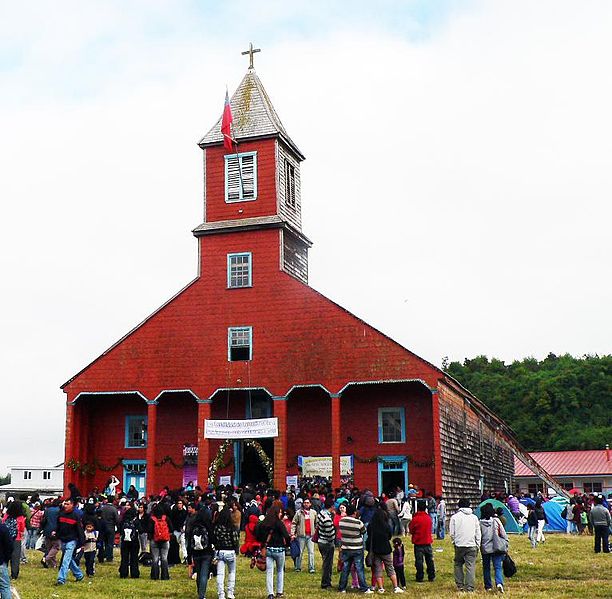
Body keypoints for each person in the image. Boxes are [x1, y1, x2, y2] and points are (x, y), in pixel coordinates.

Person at [257, 505, 291, 599]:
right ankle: (279, 592)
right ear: (277, 513)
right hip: (279, 549)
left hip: (269, 550)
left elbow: (260, 536)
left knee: (269, 572)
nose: (281, 514)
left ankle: (270, 593)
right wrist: (287, 544)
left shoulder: (265, 523)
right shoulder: (279, 523)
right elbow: (286, 536)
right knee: (280, 571)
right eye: (280, 512)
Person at [337, 504, 371, 594]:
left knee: (345, 568)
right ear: (355, 512)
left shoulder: (342, 521)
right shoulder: (358, 522)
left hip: (345, 547)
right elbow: (363, 531)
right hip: (357, 548)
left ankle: (342, 588)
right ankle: (363, 587)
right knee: (359, 568)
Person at [449, 498, 481, 593]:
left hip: (459, 544)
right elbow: (477, 532)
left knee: (458, 564)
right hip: (472, 544)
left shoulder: (454, 517)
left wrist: (454, 541)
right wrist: (477, 544)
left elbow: (452, 533)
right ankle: (470, 587)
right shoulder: (474, 517)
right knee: (470, 566)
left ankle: (460, 585)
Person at [53, 498, 85, 585]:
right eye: (65, 504)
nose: (65, 506)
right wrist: (56, 533)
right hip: (63, 540)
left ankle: (61, 579)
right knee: (69, 559)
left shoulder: (76, 516)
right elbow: (58, 526)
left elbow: (80, 530)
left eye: (67, 504)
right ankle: (79, 575)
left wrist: (82, 542)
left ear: (72, 505)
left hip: (72, 540)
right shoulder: (61, 514)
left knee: (65, 560)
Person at [479, 502, 508, 594]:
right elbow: (503, 534)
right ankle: (499, 583)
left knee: (486, 568)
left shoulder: (480, 523)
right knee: (498, 567)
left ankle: (488, 586)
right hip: (497, 547)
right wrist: (506, 543)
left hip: (485, 548)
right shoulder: (496, 521)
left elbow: (479, 536)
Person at [187, 505, 214, 598]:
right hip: (207, 552)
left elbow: (189, 541)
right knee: (204, 574)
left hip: (195, 553)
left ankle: (200, 591)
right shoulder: (208, 526)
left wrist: (189, 557)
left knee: (198, 573)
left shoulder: (193, 525)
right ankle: (202, 595)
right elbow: (212, 539)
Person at [213, 506, 240, 599]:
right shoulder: (232, 527)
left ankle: (221, 594)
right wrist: (236, 550)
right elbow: (236, 540)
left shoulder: (217, 527)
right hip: (230, 551)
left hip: (220, 551)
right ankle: (230, 592)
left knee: (220, 574)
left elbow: (214, 539)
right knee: (231, 572)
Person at [408, 500, 435, 583]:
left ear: (418, 508)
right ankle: (431, 576)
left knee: (419, 561)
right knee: (429, 560)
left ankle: (420, 576)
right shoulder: (428, 518)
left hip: (418, 543)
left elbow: (411, 530)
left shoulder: (415, 519)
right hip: (427, 542)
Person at [290, 496, 317, 573]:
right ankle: (298, 567)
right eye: (305, 503)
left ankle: (311, 568)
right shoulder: (298, 513)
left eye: (307, 503)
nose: (306, 504)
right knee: (300, 552)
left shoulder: (314, 513)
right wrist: (292, 533)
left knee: (311, 552)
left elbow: (316, 524)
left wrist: (316, 533)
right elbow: (294, 523)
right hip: (301, 536)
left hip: (311, 536)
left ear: (310, 504)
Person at [315, 496, 336, 590]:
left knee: (325, 562)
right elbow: (330, 533)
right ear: (331, 506)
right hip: (327, 542)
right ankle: (325, 583)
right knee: (327, 564)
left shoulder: (321, 514)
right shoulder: (327, 518)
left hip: (321, 540)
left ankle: (326, 581)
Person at [148, 503, 174, 581]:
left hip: (154, 540)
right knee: (164, 558)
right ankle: (165, 576)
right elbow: (171, 529)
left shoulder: (151, 519)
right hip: (165, 540)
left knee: (155, 559)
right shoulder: (166, 518)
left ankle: (154, 576)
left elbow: (149, 530)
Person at [1, 501, 25, 580]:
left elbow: (3, 523)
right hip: (16, 538)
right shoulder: (20, 517)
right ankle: (14, 574)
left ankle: (4, 572)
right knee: (15, 557)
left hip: (5, 537)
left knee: (4, 555)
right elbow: (22, 529)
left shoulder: (6, 515)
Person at [118, 506, 140, 578]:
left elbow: (119, 529)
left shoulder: (123, 521)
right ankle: (134, 573)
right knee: (134, 558)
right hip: (134, 541)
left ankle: (123, 573)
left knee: (124, 557)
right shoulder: (136, 521)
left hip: (124, 541)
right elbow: (141, 530)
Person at [100, 496, 119, 562]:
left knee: (103, 542)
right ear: (113, 501)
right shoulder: (114, 509)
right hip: (111, 527)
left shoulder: (102, 508)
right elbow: (117, 519)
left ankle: (102, 555)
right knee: (110, 543)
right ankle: (109, 557)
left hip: (102, 527)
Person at [170, 498, 188, 563]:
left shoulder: (185, 512)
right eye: (178, 503)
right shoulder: (174, 512)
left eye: (180, 503)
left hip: (183, 530)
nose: (179, 505)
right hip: (176, 530)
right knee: (176, 544)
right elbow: (172, 521)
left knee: (183, 544)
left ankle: (185, 557)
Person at [0, 520, 13, 599]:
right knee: (5, 587)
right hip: (1, 562)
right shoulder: (3, 528)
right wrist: (6, 558)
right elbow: (9, 546)